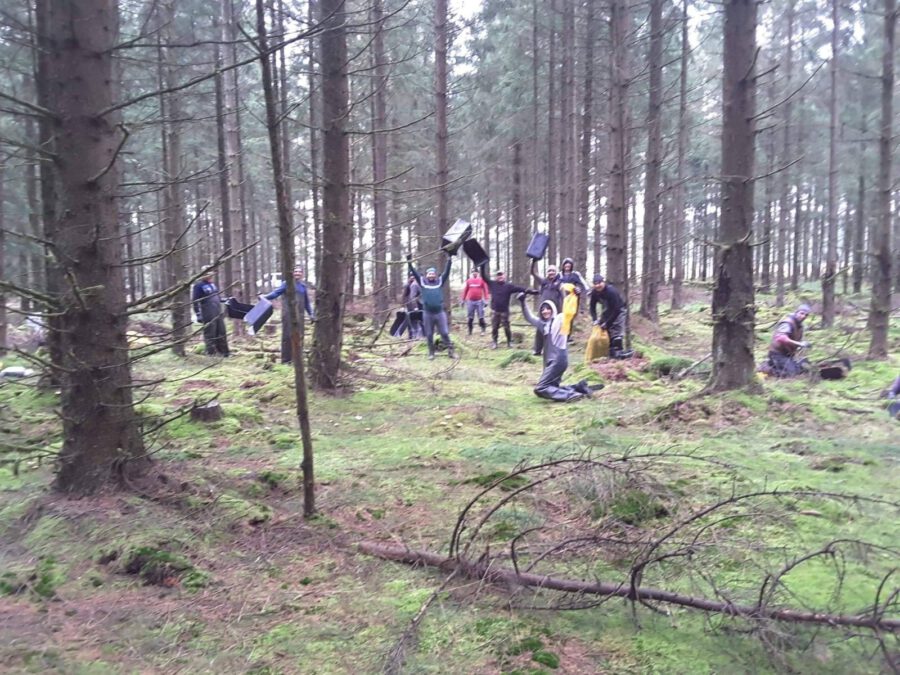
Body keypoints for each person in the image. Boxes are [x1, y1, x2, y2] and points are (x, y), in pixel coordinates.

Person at [517, 284, 594, 402]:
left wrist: (576, 298)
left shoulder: (559, 320)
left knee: (541, 388)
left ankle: (570, 396)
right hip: (549, 361)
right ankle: (579, 388)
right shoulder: (542, 325)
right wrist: (522, 302)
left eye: (548, 308)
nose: (545, 311)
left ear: (553, 310)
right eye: (542, 309)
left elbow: (571, 313)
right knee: (552, 387)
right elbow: (529, 317)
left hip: (558, 360)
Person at [407, 253, 456, 360]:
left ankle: (451, 351)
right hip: (427, 314)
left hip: (439, 313)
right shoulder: (423, 282)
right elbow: (414, 273)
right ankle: (431, 353)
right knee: (429, 334)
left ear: (435, 275)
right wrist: (409, 262)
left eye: (433, 274)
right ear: (426, 275)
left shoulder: (439, 282)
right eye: (429, 274)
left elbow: (446, 272)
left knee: (444, 332)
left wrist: (449, 260)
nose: (431, 275)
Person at [264, 267, 315, 364]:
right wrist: (265, 297)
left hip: (300, 315)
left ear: (302, 274)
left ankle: (297, 359)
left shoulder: (303, 287)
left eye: (299, 272)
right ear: (292, 273)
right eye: (295, 271)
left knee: (299, 336)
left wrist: (311, 314)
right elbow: (275, 293)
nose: (297, 273)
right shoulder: (286, 284)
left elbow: (307, 303)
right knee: (287, 336)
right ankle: (286, 360)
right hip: (288, 314)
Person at [479, 265, 529, 349]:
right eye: (498, 275)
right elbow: (484, 277)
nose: (500, 276)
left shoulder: (508, 286)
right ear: (496, 277)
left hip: (505, 311)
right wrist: (483, 266)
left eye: (501, 275)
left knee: (507, 328)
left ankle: (509, 342)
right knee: (494, 328)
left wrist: (529, 290)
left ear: (504, 276)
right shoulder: (492, 284)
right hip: (494, 311)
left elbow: (519, 288)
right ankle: (494, 342)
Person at [764, 304, 812, 377]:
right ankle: (767, 368)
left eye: (806, 315)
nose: (803, 316)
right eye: (801, 313)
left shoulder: (800, 326)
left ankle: (778, 365)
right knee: (791, 374)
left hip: (788, 355)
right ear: (796, 312)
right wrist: (799, 344)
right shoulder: (788, 323)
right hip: (777, 354)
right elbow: (781, 338)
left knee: (802, 368)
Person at [588, 274, 628, 358]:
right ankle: (609, 351)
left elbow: (616, 309)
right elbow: (592, 307)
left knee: (616, 329)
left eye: (599, 283)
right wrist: (595, 320)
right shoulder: (594, 293)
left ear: (603, 282)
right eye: (595, 283)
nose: (598, 285)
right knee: (603, 329)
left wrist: (607, 323)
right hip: (608, 310)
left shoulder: (611, 291)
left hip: (619, 310)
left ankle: (618, 352)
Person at [192, 270, 230, 357]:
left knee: (221, 331)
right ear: (204, 276)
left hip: (218, 311)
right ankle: (211, 353)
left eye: (212, 275)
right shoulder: (198, 286)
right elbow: (195, 301)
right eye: (209, 275)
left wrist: (225, 299)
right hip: (207, 312)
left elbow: (217, 297)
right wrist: (198, 314)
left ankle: (224, 352)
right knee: (210, 332)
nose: (211, 277)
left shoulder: (212, 285)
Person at [530, 259, 563, 356]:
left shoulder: (560, 283)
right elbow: (533, 273)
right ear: (547, 272)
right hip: (543, 310)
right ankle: (537, 350)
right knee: (540, 329)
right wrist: (533, 262)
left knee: (554, 330)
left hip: (555, 310)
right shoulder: (543, 282)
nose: (551, 272)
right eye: (549, 271)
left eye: (553, 270)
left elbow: (564, 296)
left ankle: (551, 350)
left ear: (556, 272)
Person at [558, 257, 588, 338]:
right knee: (561, 316)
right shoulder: (559, 275)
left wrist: (579, 290)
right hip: (561, 298)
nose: (567, 267)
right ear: (563, 266)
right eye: (566, 265)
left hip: (573, 299)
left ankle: (568, 335)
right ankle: (560, 333)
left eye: (569, 266)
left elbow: (583, 284)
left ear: (571, 266)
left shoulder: (575, 274)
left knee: (570, 315)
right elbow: (556, 284)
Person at [460, 269, 490, 336]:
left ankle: (483, 330)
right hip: (470, 301)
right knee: (470, 317)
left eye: (476, 272)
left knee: (481, 316)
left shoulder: (481, 280)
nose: (474, 274)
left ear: (478, 273)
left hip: (479, 301)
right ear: (471, 273)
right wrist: (462, 299)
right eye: (473, 272)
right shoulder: (469, 281)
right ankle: (470, 331)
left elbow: (485, 290)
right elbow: (465, 290)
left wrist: (486, 300)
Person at [401, 274, 422, 339]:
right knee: (411, 320)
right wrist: (402, 306)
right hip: (410, 304)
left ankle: (415, 335)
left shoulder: (417, 284)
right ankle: (411, 335)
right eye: (411, 276)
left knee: (415, 320)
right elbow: (404, 296)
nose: (413, 278)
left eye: (414, 276)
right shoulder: (408, 285)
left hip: (415, 304)